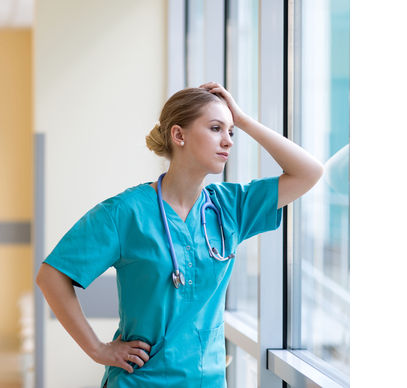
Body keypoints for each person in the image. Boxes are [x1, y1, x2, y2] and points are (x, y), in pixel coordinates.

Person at [35, 82, 324, 388]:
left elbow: (309, 172)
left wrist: (243, 120)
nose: (228, 141)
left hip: (207, 380)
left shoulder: (231, 207)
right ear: (178, 135)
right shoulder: (124, 212)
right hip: (140, 381)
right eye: (216, 128)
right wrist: (97, 349)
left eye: (231, 132)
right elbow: (51, 275)